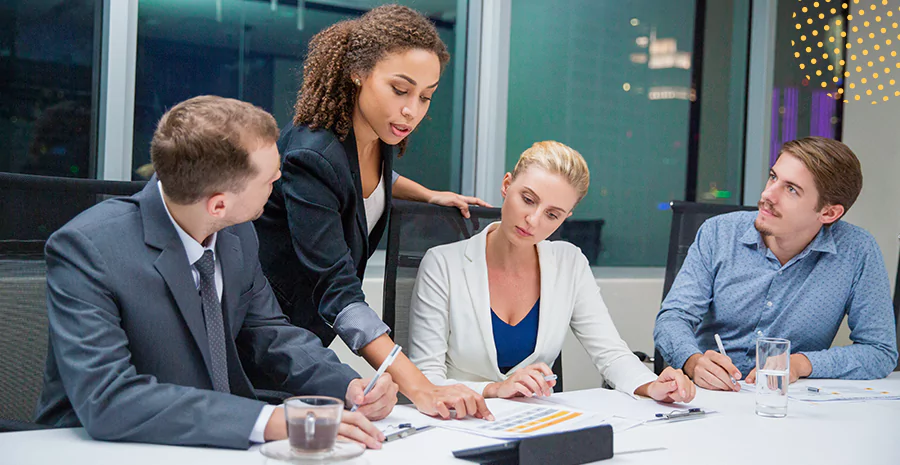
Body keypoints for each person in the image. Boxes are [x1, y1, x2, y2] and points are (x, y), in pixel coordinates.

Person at [34, 96, 397, 449]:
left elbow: (270, 332)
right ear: (219, 204)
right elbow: (107, 399)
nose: (279, 184)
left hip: (214, 445)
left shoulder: (235, 232)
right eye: (271, 181)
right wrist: (270, 422)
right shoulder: (88, 249)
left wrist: (348, 386)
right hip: (104, 449)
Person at [255, 5, 493, 420]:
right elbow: (338, 291)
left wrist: (428, 194)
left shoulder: (372, 133)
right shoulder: (312, 156)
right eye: (400, 90)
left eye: (425, 96)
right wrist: (421, 387)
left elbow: (372, 180)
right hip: (269, 340)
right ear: (358, 72)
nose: (412, 111)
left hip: (308, 336)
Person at [407, 141, 696, 403]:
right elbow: (425, 379)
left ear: (565, 218)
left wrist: (652, 385)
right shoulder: (443, 264)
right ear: (507, 185)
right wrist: (494, 389)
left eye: (552, 214)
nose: (533, 220)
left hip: (536, 425)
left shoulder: (569, 263)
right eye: (528, 199)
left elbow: (611, 353)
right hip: (459, 423)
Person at [654, 137, 898, 391]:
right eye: (773, 177)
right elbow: (673, 317)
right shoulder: (719, 233)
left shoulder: (857, 251)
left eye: (791, 189)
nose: (767, 194)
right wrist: (693, 362)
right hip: (710, 396)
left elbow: (879, 352)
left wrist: (800, 364)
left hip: (789, 403)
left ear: (828, 213)